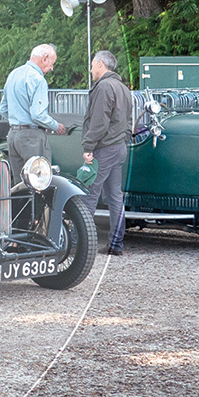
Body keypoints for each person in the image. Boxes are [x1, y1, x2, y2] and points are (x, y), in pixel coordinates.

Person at [80, 50, 135, 256]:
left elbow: (99, 121)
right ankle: (115, 243)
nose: (91, 68)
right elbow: (129, 121)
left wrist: (88, 147)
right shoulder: (122, 87)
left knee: (89, 193)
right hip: (119, 147)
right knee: (115, 197)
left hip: (104, 148)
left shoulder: (103, 87)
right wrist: (124, 139)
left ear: (101, 64)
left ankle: (81, 244)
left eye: (93, 64)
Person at [3, 44, 71, 184]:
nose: (52, 68)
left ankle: (19, 207)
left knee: (19, 184)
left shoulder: (13, 74)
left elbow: (3, 109)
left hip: (13, 135)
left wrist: (17, 120)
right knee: (38, 182)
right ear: (45, 58)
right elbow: (38, 115)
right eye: (52, 63)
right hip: (32, 138)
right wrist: (55, 126)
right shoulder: (38, 79)